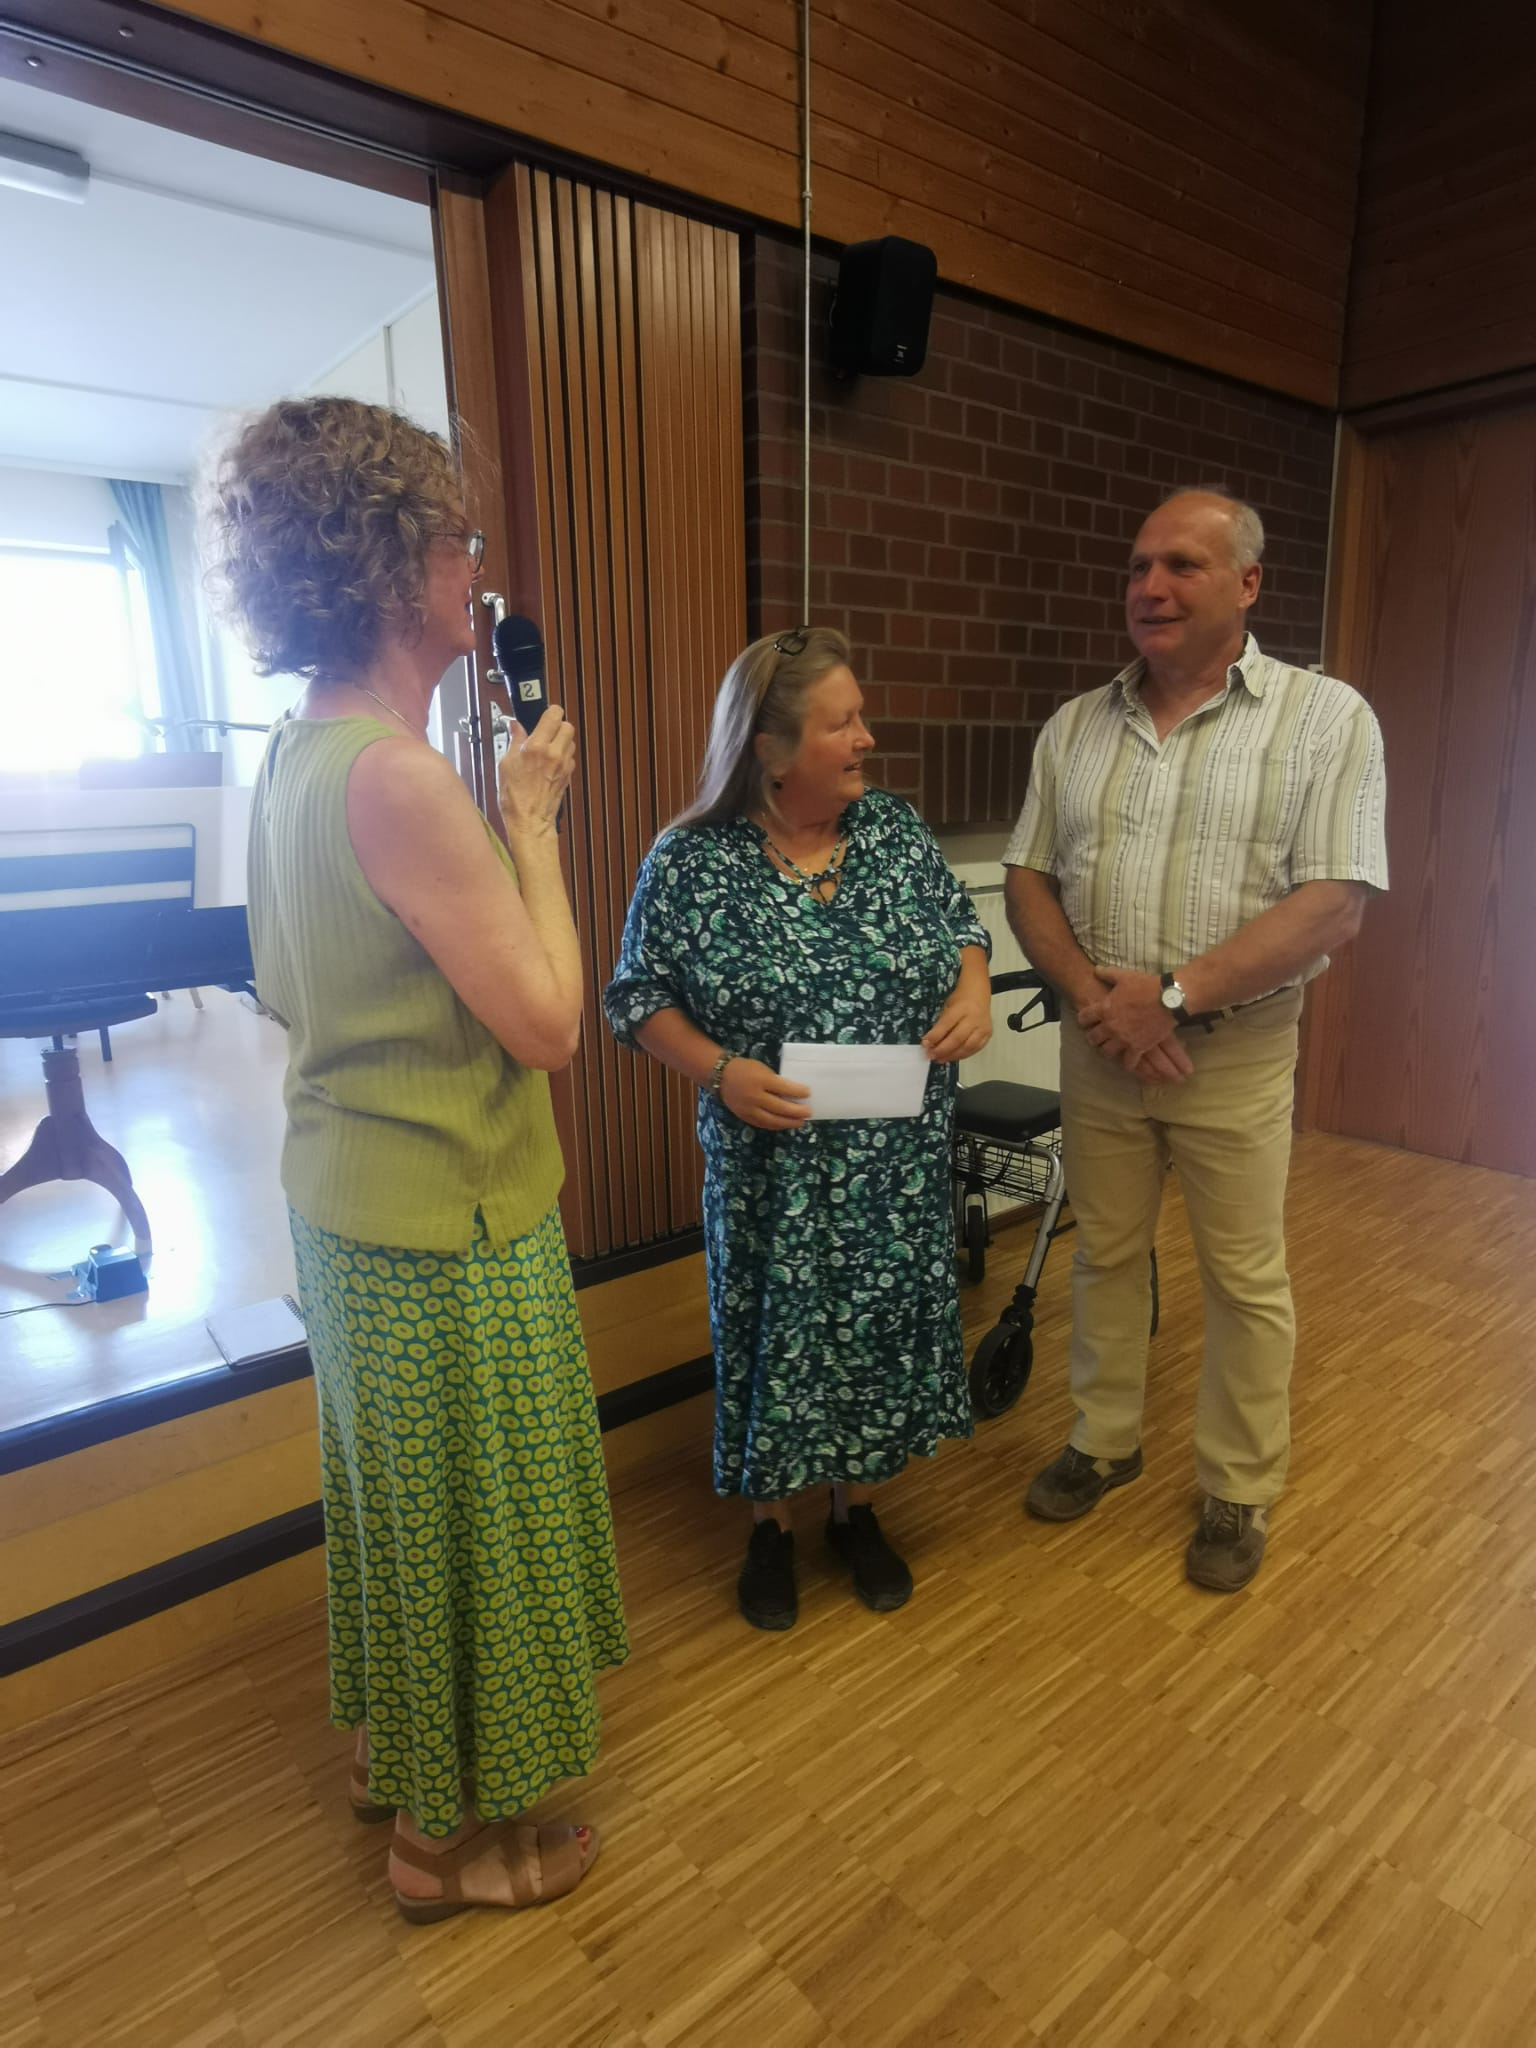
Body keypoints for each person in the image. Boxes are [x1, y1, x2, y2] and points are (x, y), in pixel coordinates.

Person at [204, 396, 627, 1920]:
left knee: (408, 1514)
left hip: (347, 1210)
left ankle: (408, 1769)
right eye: (459, 539)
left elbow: (290, 983)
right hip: (449, 1226)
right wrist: (534, 825)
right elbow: (553, 1024)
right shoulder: (402, 781)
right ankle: (447, 1851)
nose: (476, 568)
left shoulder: (297, 755)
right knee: (479, 1528)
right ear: (394, 565)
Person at [1005, 489, 1387, 1592]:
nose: (1151, 587)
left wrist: (1169, 997)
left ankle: (1237, 1486)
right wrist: (1101, 1001)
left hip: (1236, 1050)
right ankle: (1103, 1439)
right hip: (1100, 1042)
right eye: (1138, 567)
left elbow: (1336, 903)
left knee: (1243, 1276)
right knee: (1105, 1252)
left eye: (1181, 565)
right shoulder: (1075, 726)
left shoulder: (1326, 718)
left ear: (1248, 584)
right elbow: (1028, 877)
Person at [602, 626, 991, 1630]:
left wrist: (974, 990)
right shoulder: (693, 860)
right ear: (770, 750)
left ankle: (857, 1509)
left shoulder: (892, 829)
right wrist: (720, 1071)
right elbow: (636, 997)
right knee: (775, 1332)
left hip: (895, 1164)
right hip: (768, 1163)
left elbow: (962, 926)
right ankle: (772, 1524)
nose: (867, 738)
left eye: (860, 717)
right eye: (841, 723)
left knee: (873, 1329)